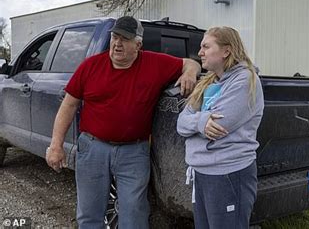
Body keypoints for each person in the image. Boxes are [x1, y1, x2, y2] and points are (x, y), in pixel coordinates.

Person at [45, 16, 201, 229]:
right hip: (92, 149)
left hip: (134, 152)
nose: (117, 43)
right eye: (115, 37)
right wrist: (56, 145)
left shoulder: (155, 63)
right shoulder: (90, 66)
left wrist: (190, 73)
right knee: (89, 214)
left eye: (125, 39)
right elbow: (69, 105)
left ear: (138, 45)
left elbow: (190, 63)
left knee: (134, 214)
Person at [177, 26, 264, 229]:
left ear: (226, 51)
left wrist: (197, 122)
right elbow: (181, 123)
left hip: (229, 175)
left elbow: (219, 125)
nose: (200, 53)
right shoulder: (208, 82)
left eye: (206, 46)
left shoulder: (245, 81)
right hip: (202, 172)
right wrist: (201, 122)